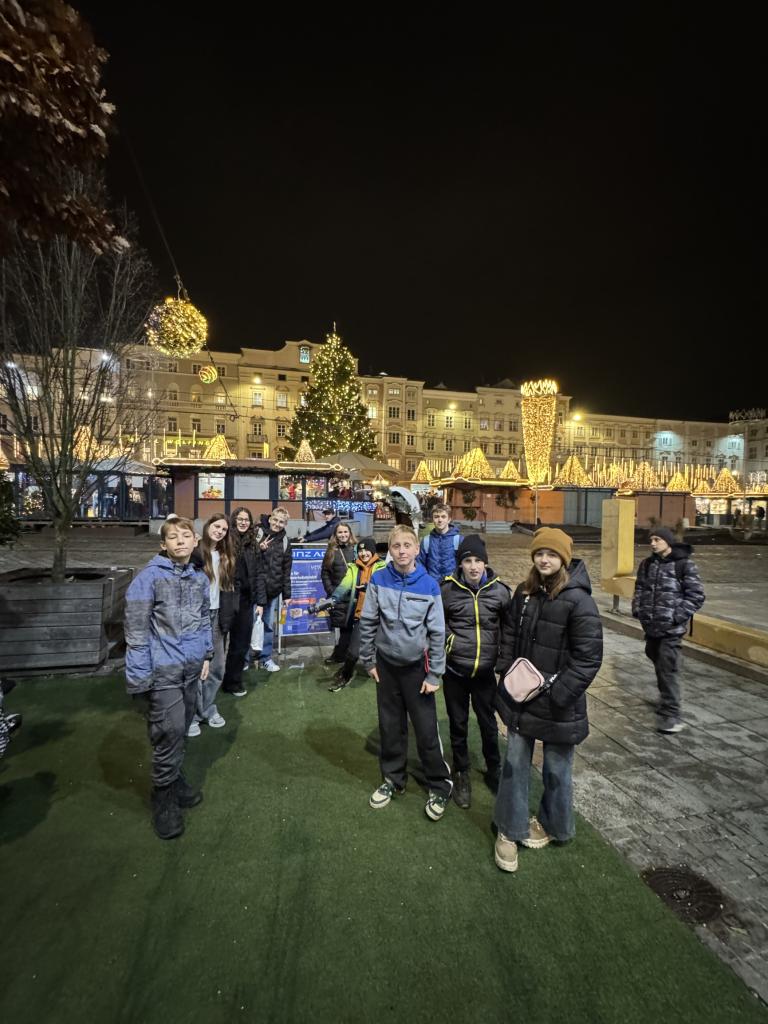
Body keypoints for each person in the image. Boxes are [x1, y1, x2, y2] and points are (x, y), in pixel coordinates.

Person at [494, 528, 603, 873]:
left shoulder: (580, 601)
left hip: (559, 703)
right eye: (540, 553)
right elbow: (509, 633)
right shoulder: (524, 592)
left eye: (552, 554)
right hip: (522, 697)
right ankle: (509, 829)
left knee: (557, 769)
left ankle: (554, 823)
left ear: (564, 560)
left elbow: (588, 657)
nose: (544, 559)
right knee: (515, 764)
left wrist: (559, 694)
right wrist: (505, 671)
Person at [124, 517, 213, 840]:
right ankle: (163, 798)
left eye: (185, 535)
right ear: (163, 544)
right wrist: (139, 681)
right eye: (173, 537)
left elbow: (204, 620)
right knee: (168, 733)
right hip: (163, 673)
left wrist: (206, 655)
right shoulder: (148, 579)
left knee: (180, 731)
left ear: (195, 540)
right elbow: (135, 634)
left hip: (190, 669)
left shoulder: (199, 578)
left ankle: (174, 779)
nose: (180, 541)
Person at [359, 524, 452, 821]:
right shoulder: (378, 579)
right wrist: (368, 660)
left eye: (406, 546)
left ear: (416, 549)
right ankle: (393, 779)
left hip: (417, 670)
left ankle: (439, 784)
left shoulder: (429, 585)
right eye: (396, 546)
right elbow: (368, 622)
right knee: (390, 726)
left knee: (426, 730)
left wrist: (434, 674)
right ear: (390, 549)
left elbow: (437, 633)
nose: (401, 551)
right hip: (386, 667)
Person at [440, 534, 511, 808]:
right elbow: (437, 622)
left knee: (488, 724)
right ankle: (461, 772)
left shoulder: (500, 591)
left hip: (484, 674)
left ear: (485, 563)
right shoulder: (447, 590)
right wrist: (451, 643)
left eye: (478, 560)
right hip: (455, 672)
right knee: (458, 724)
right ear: (460, 563)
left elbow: (509, 628)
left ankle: (494, 768)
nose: (473, 566)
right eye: (467, 560)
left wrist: (503, 660)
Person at [632, 525, 705, 734]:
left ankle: (672, 714)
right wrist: (638, 609)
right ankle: (666, 697)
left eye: (657, 539)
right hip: (651, 626)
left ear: (668, 541)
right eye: (651, 540)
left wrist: (676, 617)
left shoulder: (684, 565)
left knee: (667, 668)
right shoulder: (647, 564)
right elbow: (640, 588)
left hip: (671, 630)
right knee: (654, 657)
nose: (653, 543)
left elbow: (696, 596)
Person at [186, 514, 236, 734]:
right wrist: (191, 544)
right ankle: (192, 715)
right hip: (197, 616)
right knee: (197, 668)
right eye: (216, 526)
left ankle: (206, 709)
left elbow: (228, 588)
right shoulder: (195, 551)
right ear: (207, 526)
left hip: (217, 615)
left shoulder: (225, 556)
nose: (219, 531)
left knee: (216, 668)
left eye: (224, 529)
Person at [323, 536, 386, 692]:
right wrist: (332, 600)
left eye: (367, 550)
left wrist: (369, 587)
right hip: (362, 616)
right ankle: (346, 675)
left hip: (382, 617)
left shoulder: (383, 567)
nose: (363, 554)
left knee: (386, 651)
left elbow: (386, 587)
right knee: (353, 653)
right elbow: (344, 586)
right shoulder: (353, 568)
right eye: (361, 551)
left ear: (373, 551)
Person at [221, 507, 264, 698]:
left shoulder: (253, 544)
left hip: (246, 601)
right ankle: (208, 681)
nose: (243, 522)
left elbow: (259, 574)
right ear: (233, 520)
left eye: (247, 519)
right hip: (225, 599)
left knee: (240, 645)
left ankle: (232, 682)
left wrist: (260, 602)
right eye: (240, 519)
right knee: (217, 645)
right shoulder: (224, 541)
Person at [257, 506, 293, 672]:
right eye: (275, 520)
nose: (277, 524)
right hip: (254, 590)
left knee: (268, 626)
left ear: (285, 524)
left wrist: (287, 595)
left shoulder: (285, 542)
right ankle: (244, 659)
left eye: (282, 522)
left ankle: (265, 658)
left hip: (272, 592)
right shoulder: (257, 533)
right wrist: (259, 549)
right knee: (248, 625)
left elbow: (286, 570)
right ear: (270, 518)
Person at [320, 521, 358, 665]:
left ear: (350, 533)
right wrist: (331, 591)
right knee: (344, 628)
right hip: (339, 596)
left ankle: (343, 654)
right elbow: (325, 573)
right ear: (335, 535)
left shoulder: (356, 549)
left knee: (355, 628)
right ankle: (341, 655)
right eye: (340, 532)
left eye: (345, 532)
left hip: (356, 595)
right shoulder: (331, 551)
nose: (343, 535)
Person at [418, 503, 461, 581]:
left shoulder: (458, 540)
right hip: (432, 584)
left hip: (452, 585)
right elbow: (420, 565)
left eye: (443, 517)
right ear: (432, 519)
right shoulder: (426, 541)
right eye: (436, 517)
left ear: (449, 519)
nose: (440, 520)